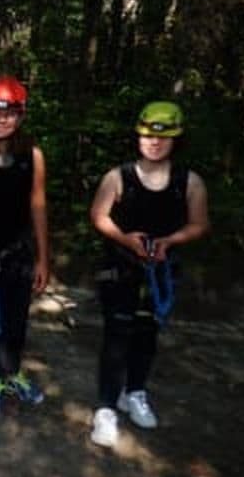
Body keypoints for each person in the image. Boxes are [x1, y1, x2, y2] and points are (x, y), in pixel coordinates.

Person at [89, 101, 209, 448]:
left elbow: (200, 223)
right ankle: (107, 407)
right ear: (137, 136)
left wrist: (172, 241)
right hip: (120, 267)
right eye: (147, 136)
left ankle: (135, 391)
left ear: (176, 140)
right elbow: (99, 215)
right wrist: (125, 239)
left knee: (147, 334)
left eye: (163, 137)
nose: (154, 143)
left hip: (162, 272)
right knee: (116, 335)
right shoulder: (118, 176)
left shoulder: (189, 182)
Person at [0, 76, 49, 414]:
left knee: (17, 318)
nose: (3, 119)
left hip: (17, 251)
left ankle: (12, 372)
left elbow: (38, 205)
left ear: (21, 116)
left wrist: (44, 258)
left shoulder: (32, 155)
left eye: (11, 113)